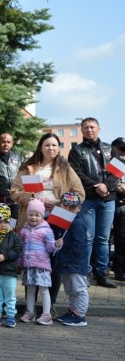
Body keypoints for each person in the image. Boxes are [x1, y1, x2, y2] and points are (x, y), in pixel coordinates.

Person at [68, 118, 118, 288]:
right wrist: (96, 186)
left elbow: (118, 170)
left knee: (103, 239)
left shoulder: (109, 148)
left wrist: (106, 186)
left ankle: (102, 273)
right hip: (88, 199)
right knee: (87, 238)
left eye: (92, 127)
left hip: (108, 199)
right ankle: (85, 272)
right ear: (81, 130)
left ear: (99, 129)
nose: (89, 130)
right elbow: (76, 173)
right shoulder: (76, 150)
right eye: (86, 127)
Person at [11, 132, 85, 231]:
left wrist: (61, 202)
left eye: (54, 145)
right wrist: (34, 199)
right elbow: (15, 191)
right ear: (40, 148)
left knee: (56, 246)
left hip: (59, 217)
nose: (51, 148)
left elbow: (79, 194)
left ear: (58, 148)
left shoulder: (66, 169)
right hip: (32, 219)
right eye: (47, 145)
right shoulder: (28, 169)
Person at [52, 192, 90, 326]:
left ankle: (79, 315)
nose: (68, 210)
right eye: (66, 206)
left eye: (72, 207)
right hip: (67, 262)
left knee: (79, 289)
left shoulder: (78, 223)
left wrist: (69, 258)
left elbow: (78, 245)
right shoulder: (64, 222)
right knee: (70, 289)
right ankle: (73, 310)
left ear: (78, 208)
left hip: (75, 263)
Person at [18, 199, 56, 326]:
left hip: (42, 265)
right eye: (31, 214)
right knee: (30, 289)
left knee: (44, 289)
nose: (33, 217)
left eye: (37, 215)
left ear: (42, 215)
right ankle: (30, 312)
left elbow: (51, 248)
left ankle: (46, 314)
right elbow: (20, 246)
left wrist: (57, 245)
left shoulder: (47, 230)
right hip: (28, 265)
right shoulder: (23, 230)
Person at [111, 137, 125, 281]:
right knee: (119, 239)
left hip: (120, 205)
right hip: (114, 203)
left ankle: (120, 269)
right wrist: (119, 187)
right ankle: (119, 269)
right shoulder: (114, 163)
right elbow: (109, 182)